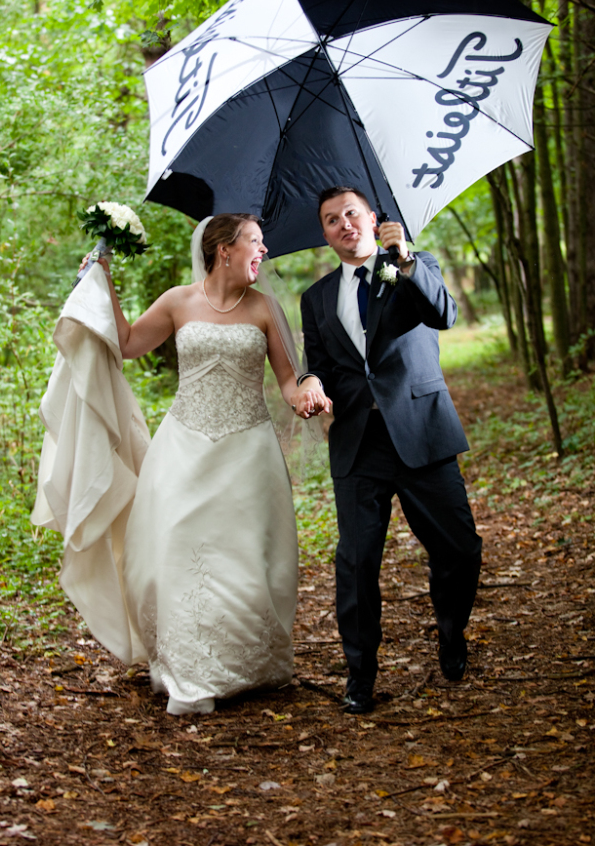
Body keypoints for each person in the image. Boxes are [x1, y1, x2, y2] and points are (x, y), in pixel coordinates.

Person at [88, 213, 330, 715]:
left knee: (245, 560)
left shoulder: (265, 308)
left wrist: (308, 395)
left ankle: (244, 664)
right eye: (255, 242)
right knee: (179, 554)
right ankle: (191, 669)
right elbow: (129, 344)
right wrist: (104, 278)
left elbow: (290, 381)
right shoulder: (178, 301)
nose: (264, 251)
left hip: (249, 454)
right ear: (224, 250)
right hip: (183, 450)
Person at [299, 186, 482, 715]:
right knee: (356, 565)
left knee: (460, 549)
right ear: (325, 233)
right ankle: (360, 675)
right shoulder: (316, 298)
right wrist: (311, 382)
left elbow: (444, 314)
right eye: (331, 220)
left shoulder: (415, 265)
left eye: (351, 213)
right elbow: (320, 364)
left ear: (373, 217)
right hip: (358, 443)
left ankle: (451, 631)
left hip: (422, 431)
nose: (344, 224)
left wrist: (404, 260)